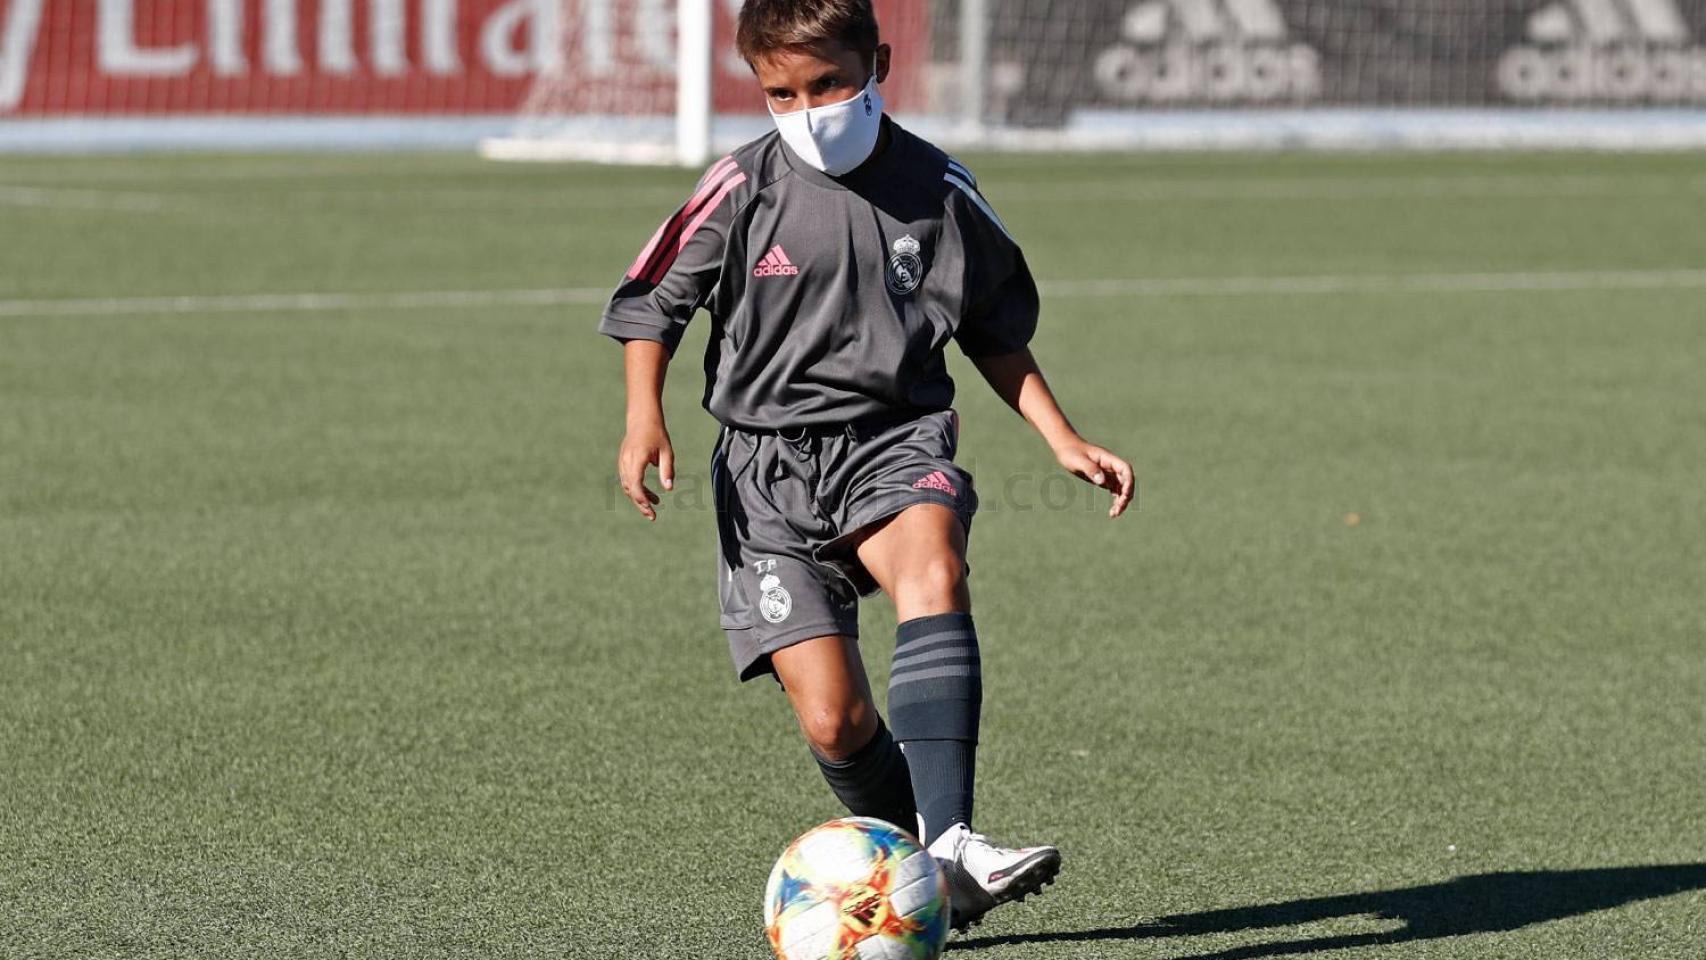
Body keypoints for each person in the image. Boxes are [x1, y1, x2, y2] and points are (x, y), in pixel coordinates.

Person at [600, 0, 1134, 932]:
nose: (809, 109)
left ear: (877, 62)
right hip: (763, 473)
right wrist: (643, 417)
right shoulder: (741, 184)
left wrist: (1061, 435)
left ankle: (955, 835)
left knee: (934, 565)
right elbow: (654, 301)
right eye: (782, 92)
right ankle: (929, 877)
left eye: (830, 84)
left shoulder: (939, 188)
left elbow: (989, 327)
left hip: (895, 439)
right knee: (835, 724)